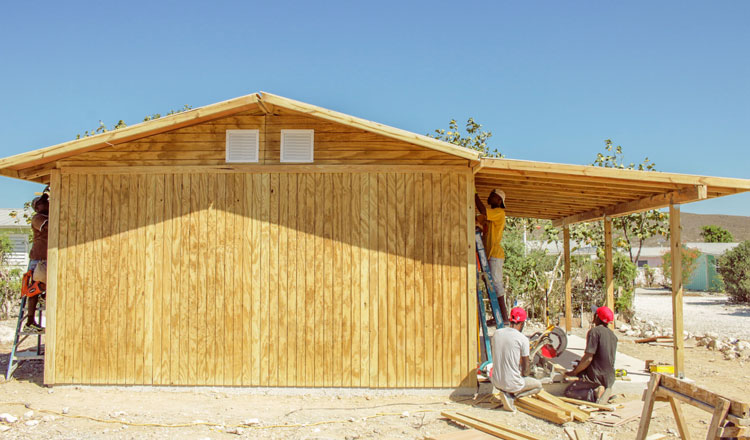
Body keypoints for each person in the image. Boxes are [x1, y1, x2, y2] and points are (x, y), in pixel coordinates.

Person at [489, 307, 542, 412]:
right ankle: (511, 397)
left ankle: (505, 392)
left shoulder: (497, 334)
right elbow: (526, 369)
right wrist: (526, 374)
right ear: (522, 323)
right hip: (511, 384)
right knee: (538, 386)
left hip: (496, 381)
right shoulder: (523, 339)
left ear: (510, 320)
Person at [564, 306, 618, 403]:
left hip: (597, 376)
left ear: (597, 317)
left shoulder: (594, 332)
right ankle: (606, 391)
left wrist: (574, 372)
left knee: (569, 391)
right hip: (610, 377)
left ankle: (595, 392)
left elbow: (588, 358)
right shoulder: (613, 335)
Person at [474, 188, 509, 323]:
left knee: (496, 283)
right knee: (489, 283)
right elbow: (477, 218)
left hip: (495, 254)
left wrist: (474, 194)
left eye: (492, 196)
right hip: (488, 255)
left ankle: (504, 318)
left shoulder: (499, 213)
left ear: (499, 200)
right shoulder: (488, 216)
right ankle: (497, 315)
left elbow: (483, 211)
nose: (489, 197)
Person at [24, 194, 49, 334]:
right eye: (44, 202)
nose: (48, 203)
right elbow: (49, 228)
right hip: (39, 260)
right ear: (37, 207)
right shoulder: (38, 218)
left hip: (45, 258)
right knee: (34, 289)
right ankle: (29, 322)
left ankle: (43, 297)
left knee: (40, 286)